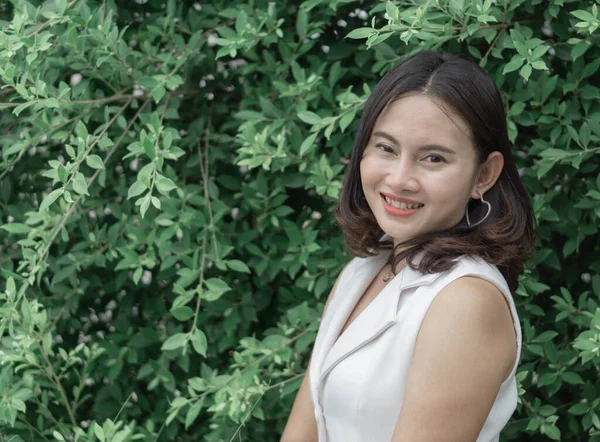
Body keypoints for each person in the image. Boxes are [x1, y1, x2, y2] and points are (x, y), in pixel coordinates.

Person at [280, 50, 535, 442]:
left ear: (483, 175)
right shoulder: (363, 271)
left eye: (433, 158)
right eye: (386, 148)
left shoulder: (466, 300)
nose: (400, 179)